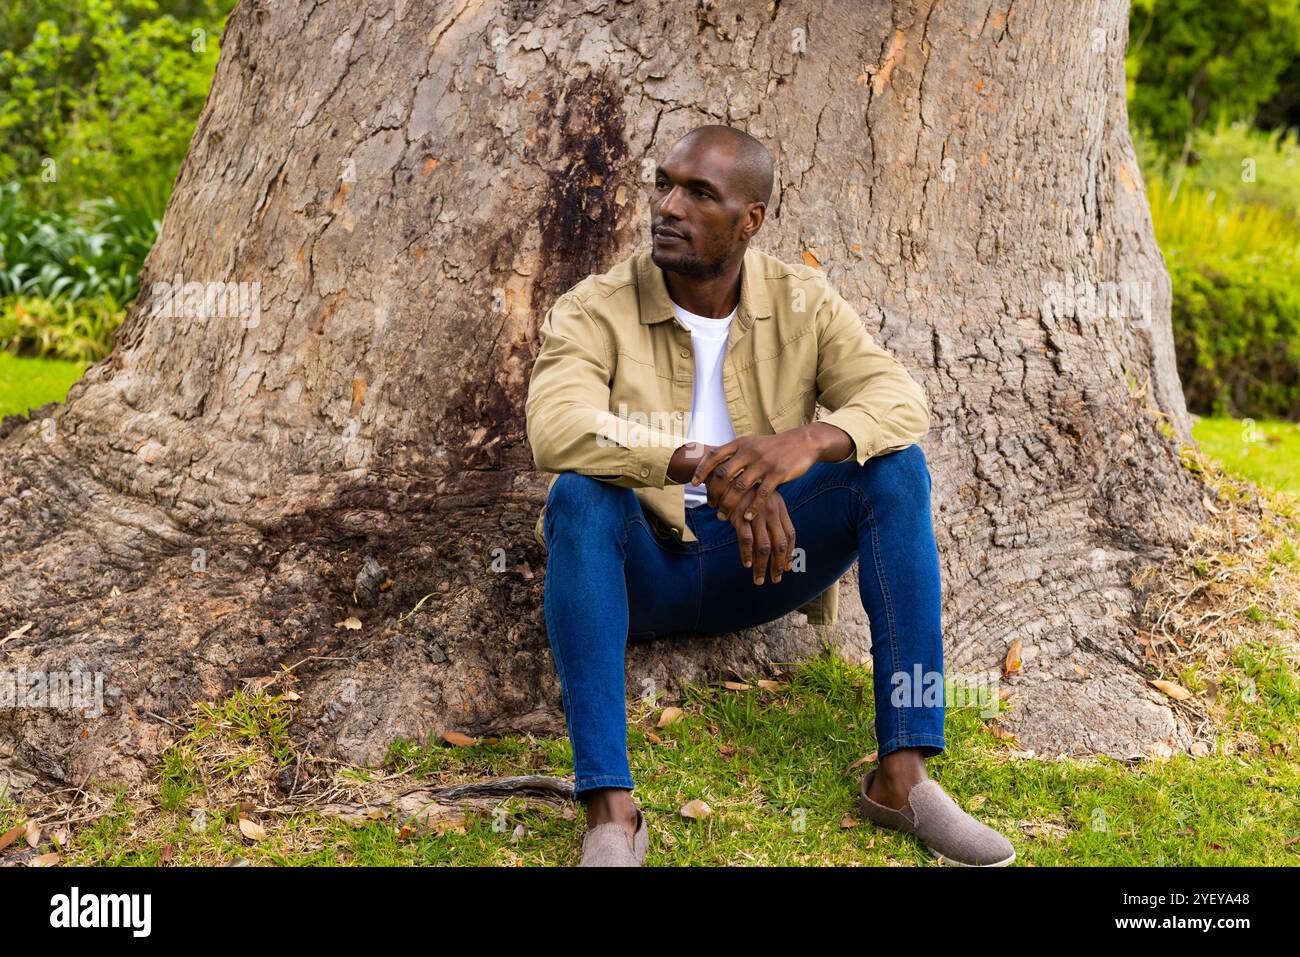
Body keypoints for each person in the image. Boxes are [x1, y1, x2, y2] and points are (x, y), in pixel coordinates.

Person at [524, 124, 1015, 867]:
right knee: (577, 498)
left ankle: (902, 773)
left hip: (768, 564)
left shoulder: (800, 299)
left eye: (698, 193)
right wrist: (700, 463)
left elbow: (899, 398)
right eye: (664, 185)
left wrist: (807, 443)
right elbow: (555, 425)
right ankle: (609, 811)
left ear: (750, 219)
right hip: (643, 573)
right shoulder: (597, 307)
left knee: (896, 467)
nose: (668, 206)